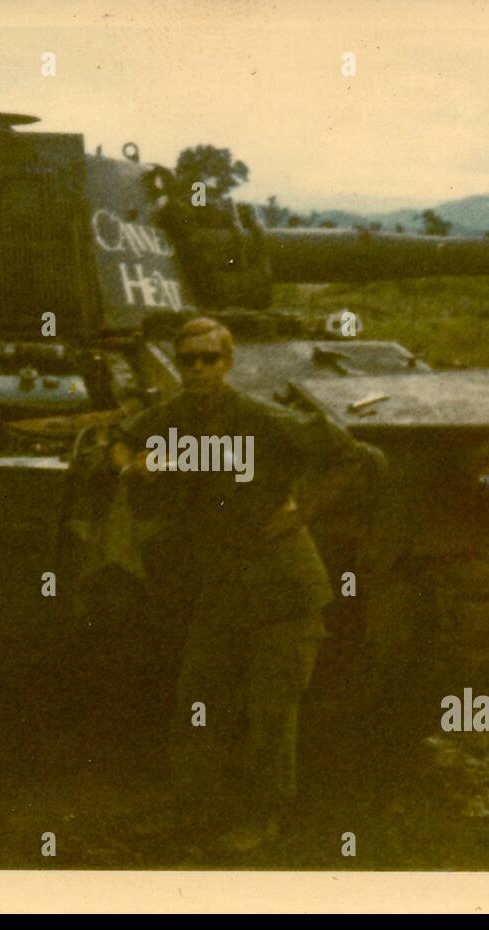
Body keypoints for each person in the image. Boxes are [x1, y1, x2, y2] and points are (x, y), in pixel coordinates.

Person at [109, 317, 384, 853]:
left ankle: (265, 819)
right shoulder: (175, 416)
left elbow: (356, 457)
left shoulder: (261, 417)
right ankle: (192, 813)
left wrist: (302, 512)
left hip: (282, 585)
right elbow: (120, 439)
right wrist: (131, 466)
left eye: (208, 359)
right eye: (187, 360)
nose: (197, 369)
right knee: (198, 702)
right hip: (222, 588)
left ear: (227, 363)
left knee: (271, 712)